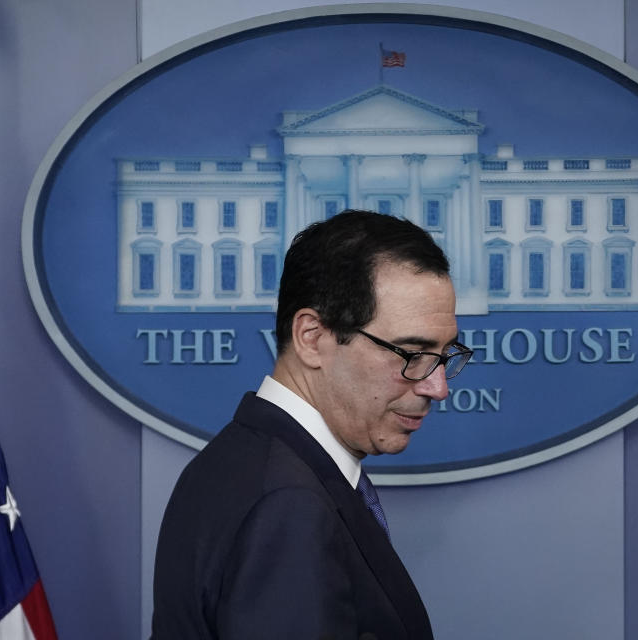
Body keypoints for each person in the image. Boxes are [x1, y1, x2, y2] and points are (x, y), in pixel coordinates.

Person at [151, 210, 472, 639]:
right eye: (411, 353)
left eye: (445, 355)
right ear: (312, 337)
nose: (437, 387)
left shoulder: (241, 459)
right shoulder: (288, 504)